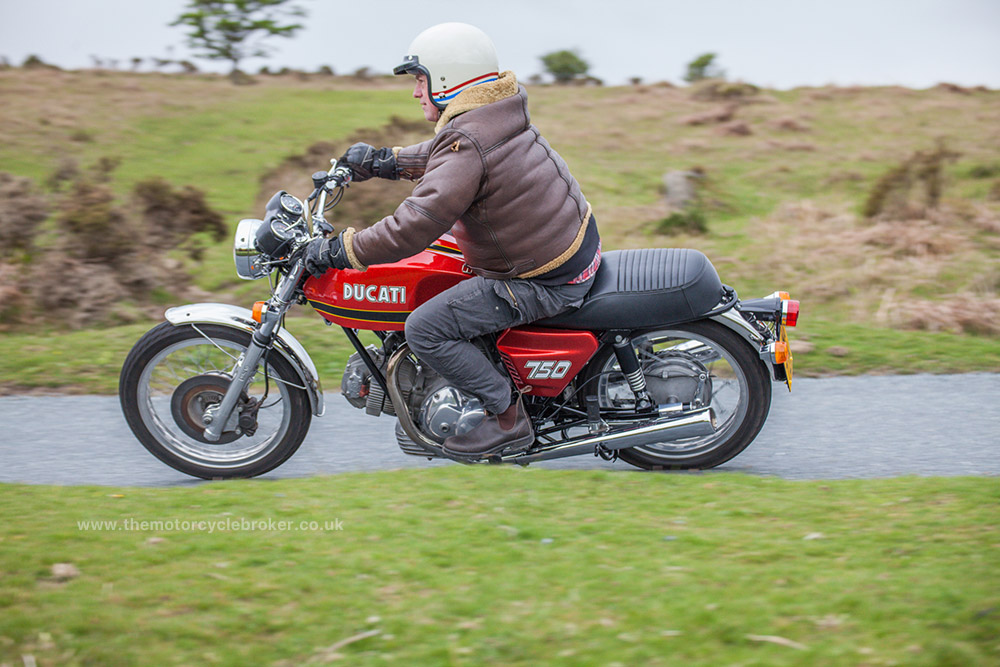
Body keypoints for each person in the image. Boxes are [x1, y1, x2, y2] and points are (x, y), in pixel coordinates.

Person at [304, 22, 601, 459]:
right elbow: (448, 154)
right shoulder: (491, 116)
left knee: (425, 327)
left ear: (448, 78)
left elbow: (415, 224)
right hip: (561, 249)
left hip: (542, 277)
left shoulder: (470, 135)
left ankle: (507, 418)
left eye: (420, 79)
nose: (415, 91)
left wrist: (342, 249)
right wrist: (384, 161)